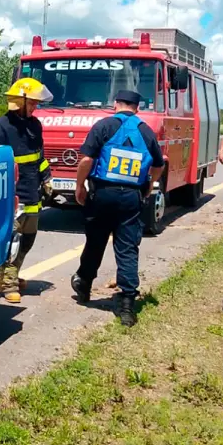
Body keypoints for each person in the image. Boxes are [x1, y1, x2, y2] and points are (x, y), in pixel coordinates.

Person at [69, 90, 165, 327]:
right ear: (137, 108)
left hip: (102, 193)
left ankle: (84, 286)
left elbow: (86, 161)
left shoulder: (104, 126)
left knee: (95, 242)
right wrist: (148, 186)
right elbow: (159, 165)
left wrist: (79, 186)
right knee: (127, 247)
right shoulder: (145, 131)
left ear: (116, 104)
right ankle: (127, 305)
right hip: (131, 196)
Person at [0, 77, 53, 303]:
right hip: (10, 194)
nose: (35, 107)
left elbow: (39, 156)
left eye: (36, 103)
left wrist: (46, 177)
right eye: (32, 103)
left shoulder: (35, 125)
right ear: (19, 101)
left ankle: (8, 273)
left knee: (28, 238)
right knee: (11, 239)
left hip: (32, 191)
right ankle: (9, 284)